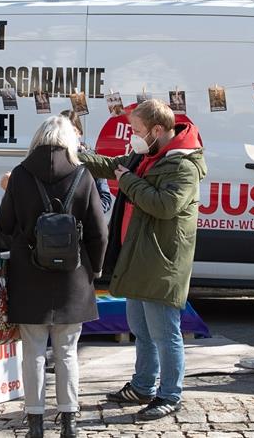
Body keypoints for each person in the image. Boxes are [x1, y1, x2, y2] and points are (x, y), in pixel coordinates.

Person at [78, 99, 206, 421]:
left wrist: (128, 181)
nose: (131, 137)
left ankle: (170, 394)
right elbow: (111, 165)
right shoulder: (145, 154)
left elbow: (164, 205)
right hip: (139, 255)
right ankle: (143, 385)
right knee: (140, 328)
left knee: (165, 333)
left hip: (162, 261)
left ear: (157, 130)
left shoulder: (183, 166)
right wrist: (72, 153)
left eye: (136, 130)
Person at [0, 116, 108, 438]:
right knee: (68, 352)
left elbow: (4, 224)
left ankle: (34, 423)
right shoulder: (83, 175)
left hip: (28, 276)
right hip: (73, 278)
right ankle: (70, 422)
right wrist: (95, 270)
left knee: (31, 351)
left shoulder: (19, 176)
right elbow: (99, 233)